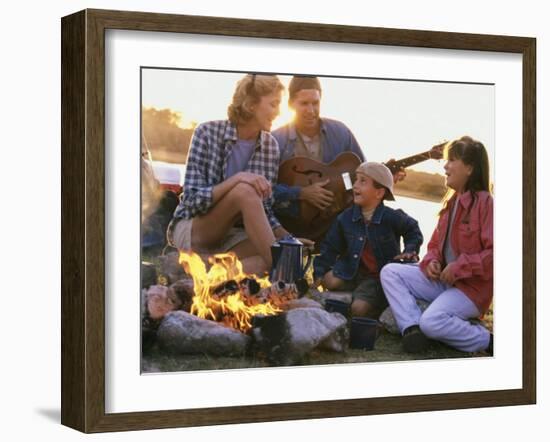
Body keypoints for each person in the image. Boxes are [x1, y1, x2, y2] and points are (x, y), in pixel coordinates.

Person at [380, 136, 493, 354]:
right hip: (442, 282)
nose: (445, 166)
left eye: (452, 160)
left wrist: (459, 267)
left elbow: (495, 254)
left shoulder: (486, 203)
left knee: (432, 322)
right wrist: (431, 261)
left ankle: (485, 340)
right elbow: (433, 246)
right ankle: (412, 329)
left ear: (469, 168)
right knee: (390, 272)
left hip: (470, 291)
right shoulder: (450, 204)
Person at [168, 74, 288, 275]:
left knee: (263, 259)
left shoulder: (270, 147)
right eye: (273, 104)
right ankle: (286, 278)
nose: (278, 112)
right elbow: (192, 200)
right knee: (244, 191)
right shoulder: (206, 133)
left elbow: (264, 210)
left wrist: (286, 237)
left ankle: (202, 267)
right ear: (251, 105)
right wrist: (237, 180)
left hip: (232, 237)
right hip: (196, 227)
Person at [313, 162, 423, 319]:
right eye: (356, 180)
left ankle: (377, 303)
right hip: (352, 270)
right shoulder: (345, 218)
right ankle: (357, 293)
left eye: (363, 181)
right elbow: (330, 247)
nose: (355, 185)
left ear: (379, 193)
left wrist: (409, 250)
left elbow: (413, 229)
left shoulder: (391, 216)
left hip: (377, 276)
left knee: (358, 309)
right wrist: (319, 273)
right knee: (329, 281)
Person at [271, 76, 365, 218]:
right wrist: (301, 193)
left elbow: (360, 172)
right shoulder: (275, 140)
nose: (311, 110)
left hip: (336, 222)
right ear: (291, 104)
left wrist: (385, 175)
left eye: (315, 103)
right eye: (304, 103)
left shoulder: (341, 132)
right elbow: (265, 189)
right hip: (291, 224)